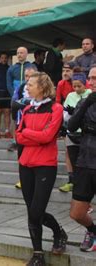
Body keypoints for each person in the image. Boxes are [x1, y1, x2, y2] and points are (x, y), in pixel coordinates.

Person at [15, 72, 67, 265]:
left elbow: (48, 137)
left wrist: (28, 133)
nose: (26, 87)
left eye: (30, 84)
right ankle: (38, 254)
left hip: (45, 165)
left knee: (37, 211)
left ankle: (58, 231)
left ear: (42, 87)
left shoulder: (56, 108)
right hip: (25, 164)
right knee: (31, 211)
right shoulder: (27, 109)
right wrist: (33, 134)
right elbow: (18, 136)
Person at [68, 67, 96, 252]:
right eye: (90, 78)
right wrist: (86, 104)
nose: (91, 82)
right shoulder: (86, 101)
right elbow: (71, 125)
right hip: (86, 160)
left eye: (95, 78)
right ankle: (93, 231)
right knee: (77, 213)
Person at [59, 71, 91, 193]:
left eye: (79, 86)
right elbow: (65, 114)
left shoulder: (90, 94)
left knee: (84, 160)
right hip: (71, 132)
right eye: (74, 86)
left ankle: (85, 185)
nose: (76, 89)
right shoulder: (70, 96)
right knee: (72, 157)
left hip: (85, 133)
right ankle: (73, 181)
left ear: (85, 84)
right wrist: (70, 115)